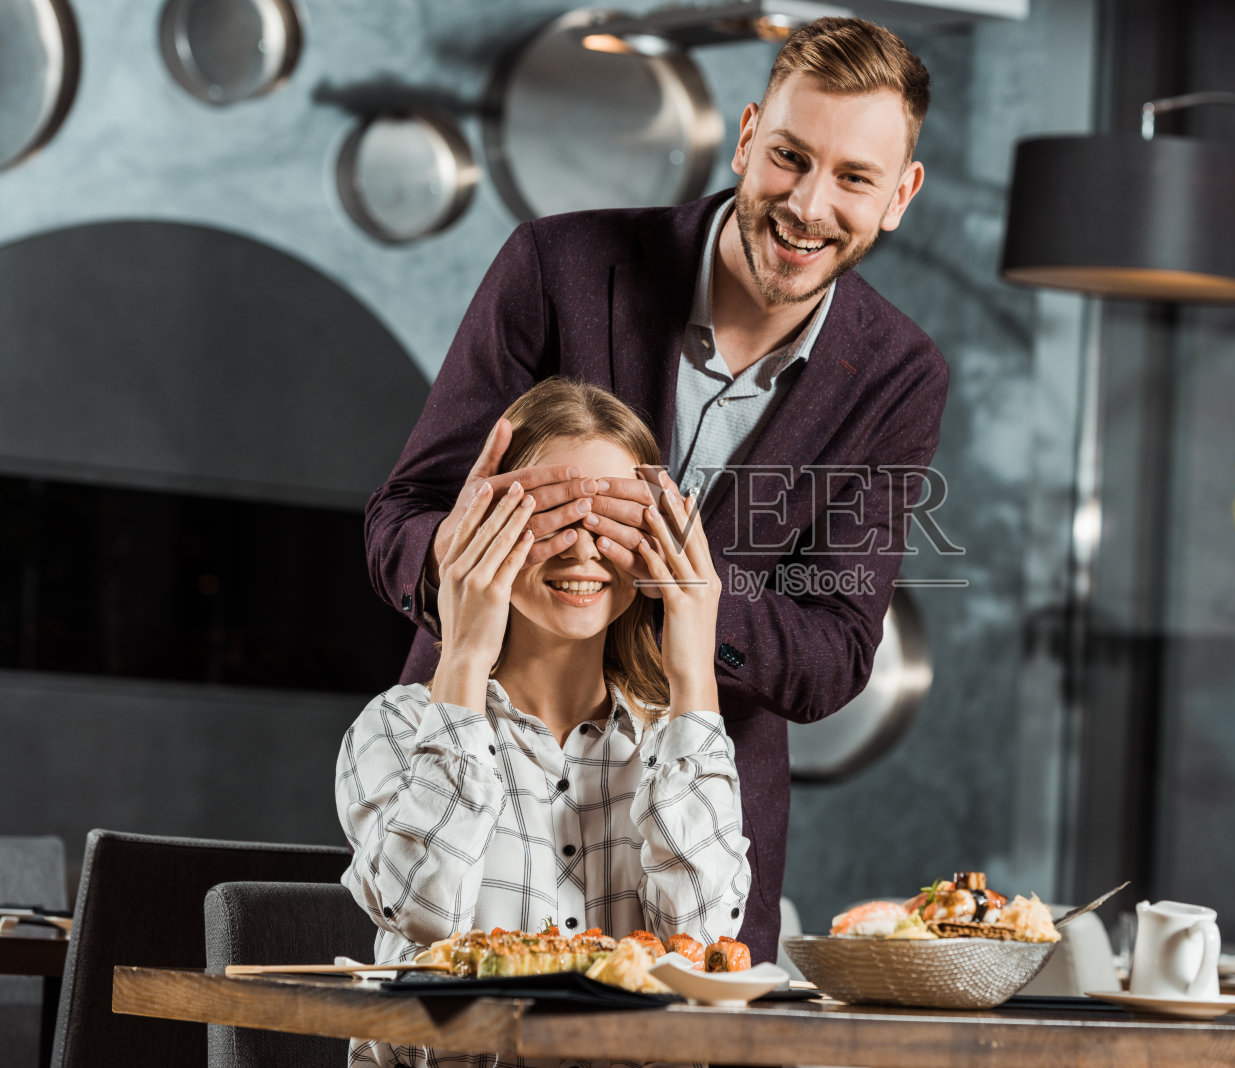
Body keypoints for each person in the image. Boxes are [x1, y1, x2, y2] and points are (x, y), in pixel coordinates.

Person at [365, 17, 949, 964]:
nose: (808, 205)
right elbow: (402, 520)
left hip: (695, 851)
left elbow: (834, 651)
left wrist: (691, 600)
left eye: (853, 178)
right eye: (791, 157)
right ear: (749, 133)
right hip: (479, 814)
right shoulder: (557, 266)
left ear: (900, 195)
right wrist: (476, 561)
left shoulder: (899, 375)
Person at [340, 378, 749, 1067]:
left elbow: (704, 943)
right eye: (551, 517)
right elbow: (425, 912)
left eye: (613, 522)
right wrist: (465, 647)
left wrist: (693, 674)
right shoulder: (395, 730)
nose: (582, 550)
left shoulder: (674, 741)